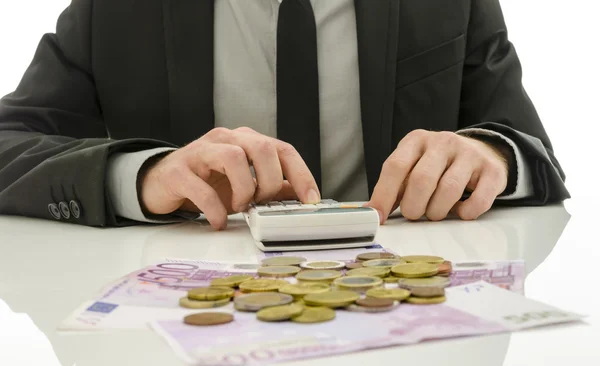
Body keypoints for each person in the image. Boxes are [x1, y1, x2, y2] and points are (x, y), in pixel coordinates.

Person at [0, 0, 569, 230]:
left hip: (410, 333)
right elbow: (8, 141)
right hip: (184, 342)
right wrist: (141, 175)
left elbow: (528, 150)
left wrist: (491, 155)